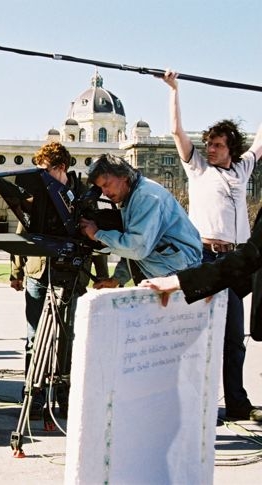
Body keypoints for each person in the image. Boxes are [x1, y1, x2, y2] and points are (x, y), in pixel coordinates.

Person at [160, 70, 262, 423]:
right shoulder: (198, 168)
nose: (211, 149)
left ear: (231, 147)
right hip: (205, 257)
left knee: (233, 338)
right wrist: (174, 90)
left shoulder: (243, 168)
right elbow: (177, 131)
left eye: (217, 145)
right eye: (209, 144)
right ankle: (201, 403)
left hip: (235, 262)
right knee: (202, 336)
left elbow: (261, 139)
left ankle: (236, 403)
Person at [139, 208, 262, 422]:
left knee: (234, 343)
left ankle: (235, 402)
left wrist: (182, 281)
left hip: (228, 262)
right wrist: (209, 284)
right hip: (215, 262)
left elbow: (251, 256)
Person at [8, 142, 92, 418]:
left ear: (61, 168)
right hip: (38, 272)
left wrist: (102, 276)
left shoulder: (83, 194)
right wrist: (16, 271)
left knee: (68, 337)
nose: (40, 177)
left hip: (71, 275)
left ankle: (66, 394)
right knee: (34, 336)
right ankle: (34, 394)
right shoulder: (37, 193)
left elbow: (93, 236)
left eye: (44, 171)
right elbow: (23, 230)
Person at [79, 154, 202, 287]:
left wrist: (97, 234)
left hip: (182, 276)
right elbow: (138, 249)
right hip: (171, 274)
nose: (105, 192)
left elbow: (137, 248)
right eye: (101, 188)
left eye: (106, 184)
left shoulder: (146, 196)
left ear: (123, 176)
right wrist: (117, 279)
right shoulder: (133, 196)